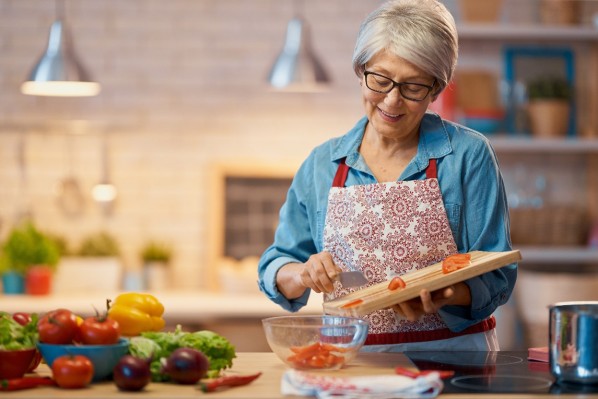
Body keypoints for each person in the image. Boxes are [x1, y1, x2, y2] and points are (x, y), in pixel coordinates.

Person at [257, 0, 517, 352]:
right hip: (348, 363)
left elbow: (497, 273)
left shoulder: (468, 156)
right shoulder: (323, 164)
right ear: (360, 70)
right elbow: (276, 266)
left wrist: (448, 293)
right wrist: (303, 273)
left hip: (453, 361)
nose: (392, 101)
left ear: (436, 89)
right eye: (380, 79)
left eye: (413, 87)